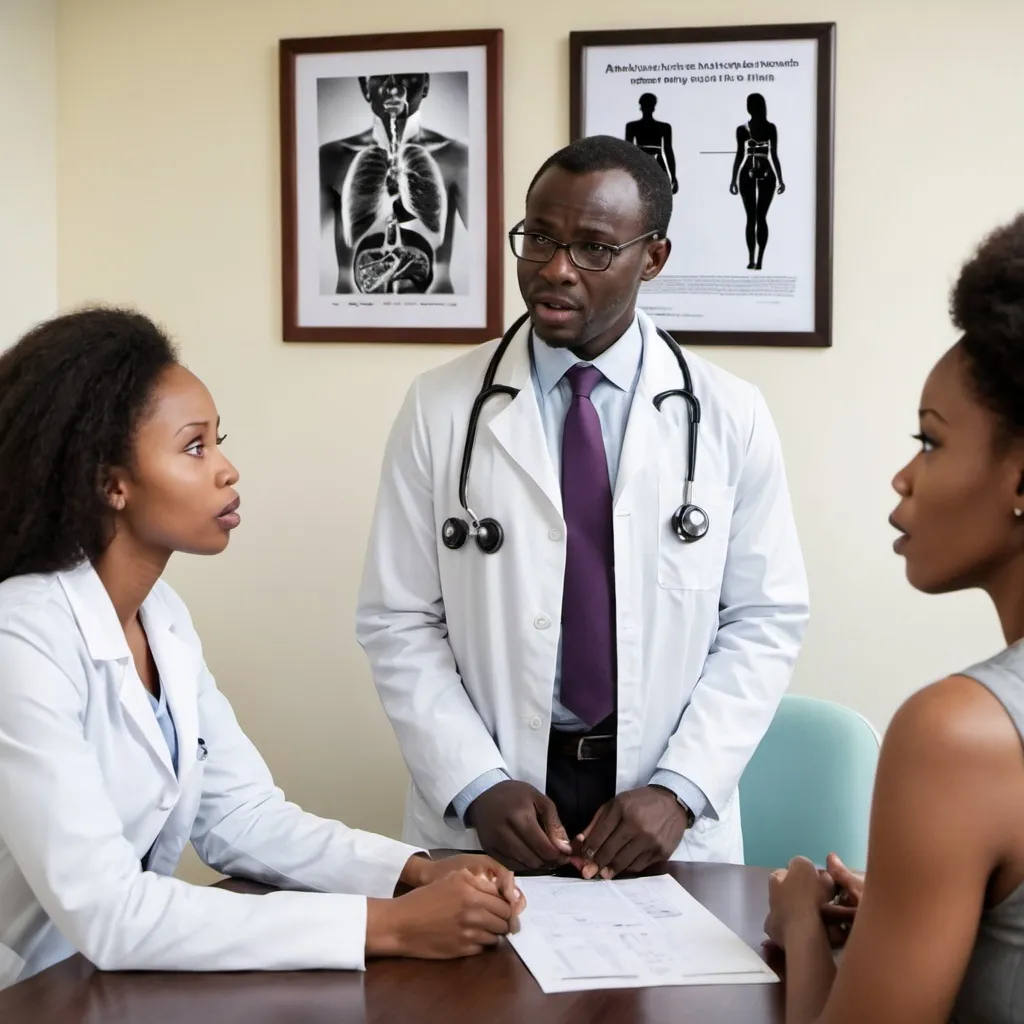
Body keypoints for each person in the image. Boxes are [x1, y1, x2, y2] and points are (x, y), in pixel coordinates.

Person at [0, 308, 525, 991]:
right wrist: (389, 926)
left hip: (92, 984)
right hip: (26, 991)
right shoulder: (20, 638)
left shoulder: (160, 617)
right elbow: (111, 912)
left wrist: (414, 871)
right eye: (195, 447)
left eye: (219, 442)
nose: (227, 469)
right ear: (110, 481)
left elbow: (243, 817)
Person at [355, 135, 809, 876]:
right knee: (477, 992)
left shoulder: (730, 415)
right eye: (538, 238)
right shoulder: (440, 407)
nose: (554, 270)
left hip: (657, 806)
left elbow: (764, 620)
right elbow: (397, 618)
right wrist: (475, 784)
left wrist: (681, 789)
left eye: (594, 248)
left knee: (672, 994)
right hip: (499, 800)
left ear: (652, 258)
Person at [765, 212, 1024, 1024]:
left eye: (932, 442)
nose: (903, 477)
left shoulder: (961, 734)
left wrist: (802, 924)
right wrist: (917, 907)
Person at [319, 73, 468, 295]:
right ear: (364, 86)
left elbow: (492, 248)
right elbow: (297, 251)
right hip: (353, 318)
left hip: (435, 317)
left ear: (425, 83)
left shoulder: (457, 157)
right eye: (380, 77)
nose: (394, 88)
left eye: (406, 75)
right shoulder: (331, 157)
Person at [728, 92, 785, 271]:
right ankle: (755, 259)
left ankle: (756, 259)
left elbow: (774, 154)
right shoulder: (748, 129)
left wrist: (781, 178)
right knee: (756, 217)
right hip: (753, 171)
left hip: (757, 172)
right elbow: (740, 154)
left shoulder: (765, 128)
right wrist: (733, 179)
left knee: (755, 217)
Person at [625, 93, 679, 194]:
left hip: (650, 162)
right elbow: (628, 152)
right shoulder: (663, 127)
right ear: (654, 107)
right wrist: (673, 176)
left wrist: (673, 176)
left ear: (641, 107)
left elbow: (668, 151)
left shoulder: (632, 126)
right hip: (646, 163)